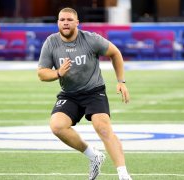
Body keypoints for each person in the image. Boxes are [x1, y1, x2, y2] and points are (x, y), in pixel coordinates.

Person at [37, 7, 132, 180]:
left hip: (94, 91)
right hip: (69, 94)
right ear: (58, 22)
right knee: (57, 126)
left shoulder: (90, 39)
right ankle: (93, 155)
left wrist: (121, 82)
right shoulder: (51, 42)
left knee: (102, 128)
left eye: (69, 20)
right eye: (62, 20)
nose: (65, 23)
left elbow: (115, 53)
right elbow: (42, 73)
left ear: (77, 23)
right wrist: (58, 73)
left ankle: (123, 174)